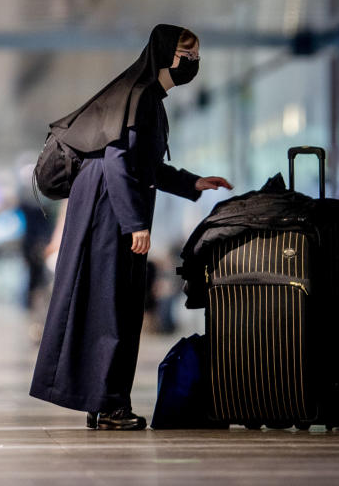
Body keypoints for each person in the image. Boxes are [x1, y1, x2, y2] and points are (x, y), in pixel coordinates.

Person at [29, 25, 233, 430]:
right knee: (112, 307)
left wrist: (193, 182)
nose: (192, 63)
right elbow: (119, 163)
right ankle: (108, 406)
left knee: (111, 305)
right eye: (185, 54)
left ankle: (103, 402)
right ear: (163, 54)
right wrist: (135, 224)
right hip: (108, 212)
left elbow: (147, 166)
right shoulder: (139, 98)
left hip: (105, 209)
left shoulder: (145, 98)